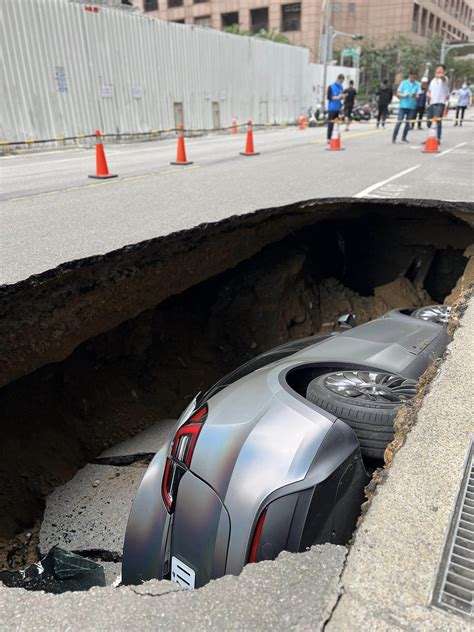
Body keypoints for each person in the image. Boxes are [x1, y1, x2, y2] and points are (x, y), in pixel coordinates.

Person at [392, 70, 420, 143]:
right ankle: (394, 137)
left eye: (414, 77)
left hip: (411, 106)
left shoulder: (417, 84)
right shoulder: (404, 83)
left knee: (408, 123)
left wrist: (415, 96)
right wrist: (403, 95)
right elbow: (398, 93)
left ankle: (404, 137)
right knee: (399, 122)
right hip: (403, 106)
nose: (413, 79)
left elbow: (418, 95)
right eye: (412, 77)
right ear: (409, 76)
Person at [427, 64, 450, 141]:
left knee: (437, 120)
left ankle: (437, 138)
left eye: (440, 69)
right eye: (437, 69)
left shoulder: (445, 79)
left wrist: (441, 75)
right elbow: (429, 91)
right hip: (432, 103)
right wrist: (428, 94)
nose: (438, 70)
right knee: (429, 122)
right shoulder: (433, 80)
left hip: (440, 103)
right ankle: (430, 137)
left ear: (444, 71)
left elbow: (442, 78)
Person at [326, 74, 345, 142]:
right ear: (338, 79)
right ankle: (329, 138)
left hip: (338, 108)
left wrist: (343, 96)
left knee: (336, 123)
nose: (341, 83)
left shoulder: (341, 87)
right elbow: (328, 97)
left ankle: (336, 135)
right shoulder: (331, 87)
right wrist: (337, 97)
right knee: (331, 123)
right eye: (341, 81)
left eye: (342, 81)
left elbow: (341, 97)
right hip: (332, 108)